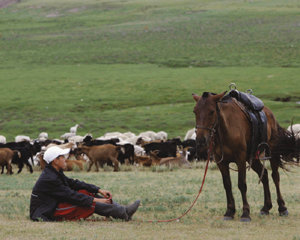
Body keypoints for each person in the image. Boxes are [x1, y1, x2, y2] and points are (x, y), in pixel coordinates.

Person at [30, 146, 140, 222]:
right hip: (47, 212)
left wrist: (97, 190)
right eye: (63, 157)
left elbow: (73, 183)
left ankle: (123, 211)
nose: (65, 159)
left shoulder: (54, 172)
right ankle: (123, 214)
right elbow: (71, 195)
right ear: (55, 160)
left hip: (54, 205)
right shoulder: (50, 178)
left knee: (86, 192)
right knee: (86, 202)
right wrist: (96, 199)